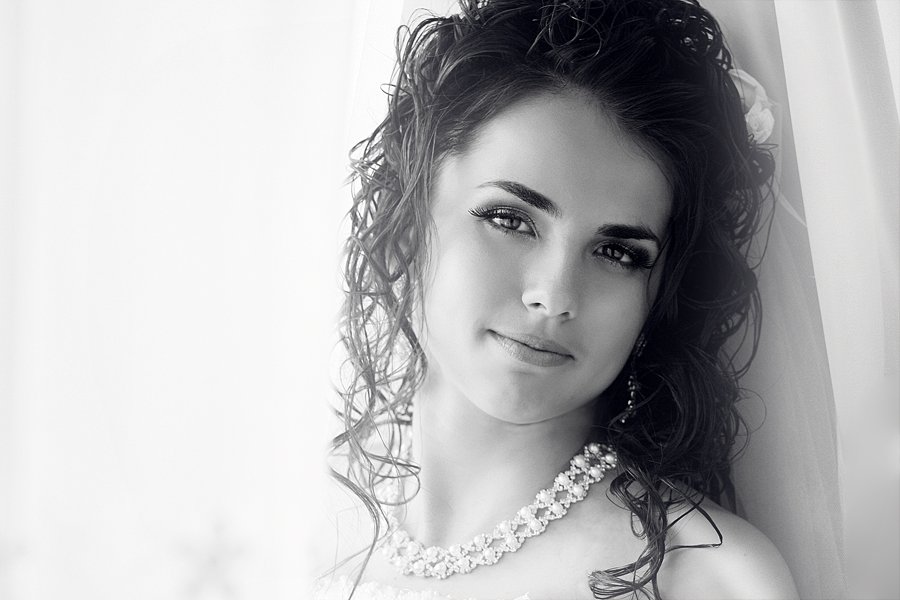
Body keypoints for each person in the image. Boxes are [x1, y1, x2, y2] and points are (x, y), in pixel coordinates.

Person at [318, 0, 799, 598]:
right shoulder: (281, 512)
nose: (554, 294)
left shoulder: (707, 577)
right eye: (510, 220)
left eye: (618, 253)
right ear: (406, 223)